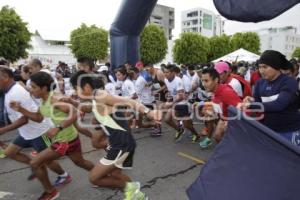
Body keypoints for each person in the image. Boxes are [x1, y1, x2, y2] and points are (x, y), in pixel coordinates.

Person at [69, 70, 162, 200]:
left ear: (86, 87)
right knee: (116, 174)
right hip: (119, 143)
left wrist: (148, 112)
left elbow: (129, 101)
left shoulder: (100, 95)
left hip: (121, 145)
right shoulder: (95, 98)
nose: (74, 92)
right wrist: (71, 102)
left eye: (75, 88)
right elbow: (87, 108)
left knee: (94, 178)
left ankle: (133, 190)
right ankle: (136, 195)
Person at [10, 71, 94, 200]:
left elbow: (76, 112)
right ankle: (102, 174)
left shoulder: (54, 99)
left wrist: (58, 128)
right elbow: (38, 118)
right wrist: (20, 109)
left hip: (64, 141)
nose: (31, 91)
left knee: (35, 163)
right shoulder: (43, 101)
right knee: (80, 162)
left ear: (43, 88)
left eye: (33, 87)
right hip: (69, 139)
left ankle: (50, 192)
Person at [240, 50, 300, 146]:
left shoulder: (289, 82)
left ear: (276, 67)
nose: (261, 70)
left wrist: (252, 105)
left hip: (289, 130)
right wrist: (252, 101)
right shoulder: (260, 83)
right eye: (259, 67)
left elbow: (279, 104)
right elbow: (259, 108)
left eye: (265, 67)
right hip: (268, 131)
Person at [197, 67, 242, 146]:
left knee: (227, 140)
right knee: (217, 136)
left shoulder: (226, 92)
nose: (203, 84)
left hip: (234, 121)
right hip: (224, 118)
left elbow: (243, 111)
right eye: (202, 81)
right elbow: (219, 104)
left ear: (216, 80)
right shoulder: (214, 91)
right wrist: (209, 109)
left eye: (206, 81)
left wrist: (230, 122)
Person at [163, 64, 198, 142]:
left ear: (172, 73)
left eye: (167, 72)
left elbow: (181, 97)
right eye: (164, 72)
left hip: (183, 104)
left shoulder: (178, 80)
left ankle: (196, 134)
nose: (165, 74)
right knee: (167, 119)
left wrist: (171, 103)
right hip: (175, 104)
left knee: (187, 125)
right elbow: (170, 91)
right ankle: (179, 129)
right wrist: (168, 100)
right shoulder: (166, 80)